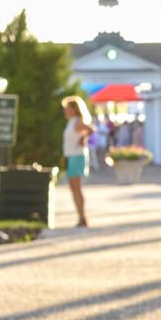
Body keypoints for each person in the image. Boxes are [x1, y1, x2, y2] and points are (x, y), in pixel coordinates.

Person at [60, 95, 92, 228]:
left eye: (67, 108)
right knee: (74, 189)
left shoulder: (77, 121)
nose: (65, 111)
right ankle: (81, 217)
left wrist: (84, 137)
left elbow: (91, 129)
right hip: (71, 155)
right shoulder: (71, 122)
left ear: (74, 109)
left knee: (77, 188)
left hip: (77, 156)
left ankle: (82, 217)